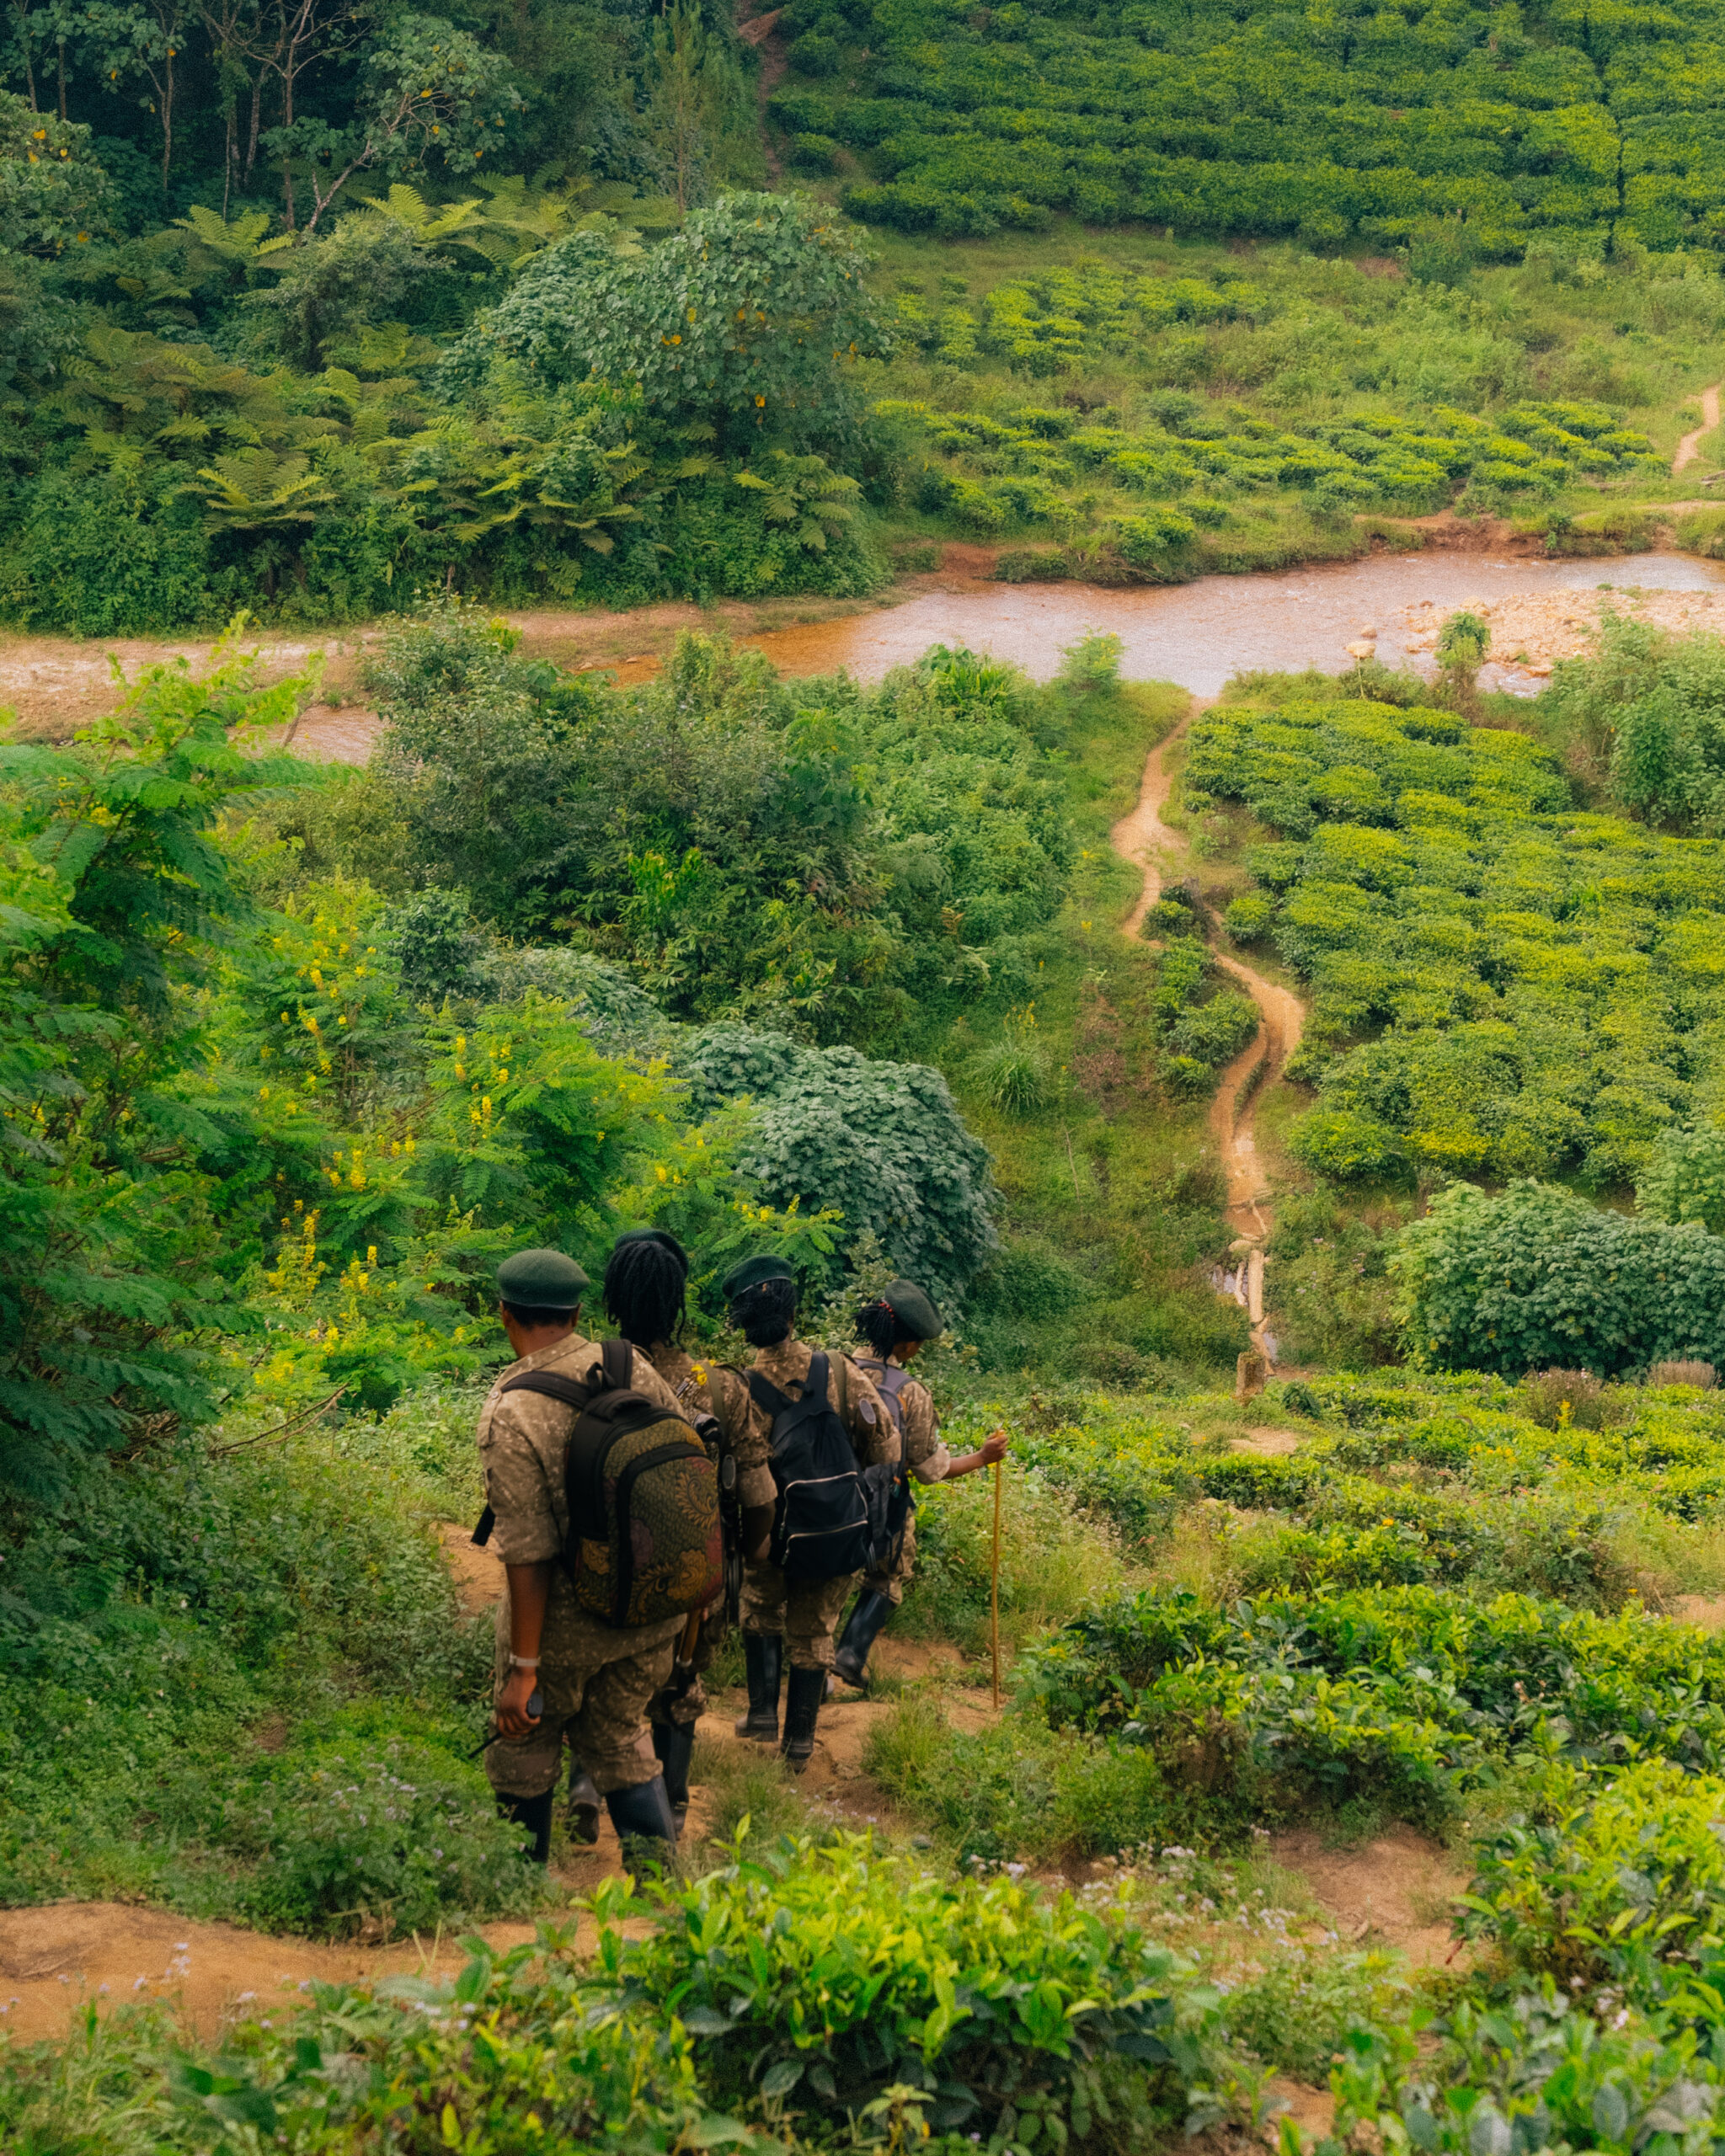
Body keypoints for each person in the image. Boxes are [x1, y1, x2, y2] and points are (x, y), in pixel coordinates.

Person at [475, 1246, 686, 1863]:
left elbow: (529, 1552)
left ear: (504, 1313)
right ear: (575, 1314)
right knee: (620, 1736)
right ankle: (665, 1894)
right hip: (650, 1610)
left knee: (523, 1744)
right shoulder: (630, 1365)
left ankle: (520, 1897)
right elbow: (685, 1470)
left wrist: (524, 1669)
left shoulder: (512, 1408)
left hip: (566, 1628)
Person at [596, 1227, 775, 1828]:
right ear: (677, 1301)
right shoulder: (718, 1386)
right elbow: (759, 1495)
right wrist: (747, 1554)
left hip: (603, 1565)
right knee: (679, 1685)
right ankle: (670, 1807)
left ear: (613, 1297)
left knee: (601, 1677)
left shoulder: (588, 1373)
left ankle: (587, 1790)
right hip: (695, 1574)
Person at [724, 1253, 897, 1769]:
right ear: (794, 1312)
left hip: (769, 1533)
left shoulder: (737, 1388)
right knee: (815, 1631)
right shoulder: (840, 1370)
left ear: (744, 1326)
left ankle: (761, 1715)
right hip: (835, 1528)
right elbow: (885, 1448)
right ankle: (798, 1744)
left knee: (760, 1610)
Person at [835, 1277, 1009, 1691]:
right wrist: (983, 1457)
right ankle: (850, 1655)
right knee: (887, 1576)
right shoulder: (910, 1393)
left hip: (828, 1498)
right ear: (909, 1345)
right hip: (882, 1508)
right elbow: (930, 1470)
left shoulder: (833, 1370)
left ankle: (810, 1663)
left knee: (825, 1580)